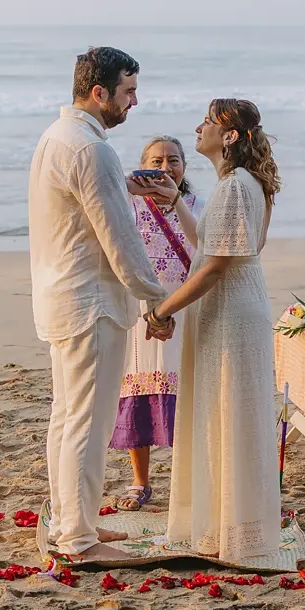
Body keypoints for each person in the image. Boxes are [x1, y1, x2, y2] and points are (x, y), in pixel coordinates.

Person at [28, 47, 179, 562]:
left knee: (68, 417)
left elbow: (84, 208)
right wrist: (157, 301)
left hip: (61, 296)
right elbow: (120, 241)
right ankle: (78, 539)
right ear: (100, 93)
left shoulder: (57, 137)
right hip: (90, 303)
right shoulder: (92, 150)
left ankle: (76, 522)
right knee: (87, 425)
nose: (134, 102)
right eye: (128, 91)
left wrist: (127, 186)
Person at [149, 99, 286, 566]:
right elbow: (212, 243)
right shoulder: (244, 183)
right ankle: (233, 521)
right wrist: (175, 205)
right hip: (239, 303)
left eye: (207, 121)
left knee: (226, 411)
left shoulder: (233, 187)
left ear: (228, 136)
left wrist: (162, 310)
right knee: (230, 412)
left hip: (229, 308)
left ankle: (230, 529)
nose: (198, 127)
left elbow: (215, 267)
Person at [108, 136, 203, 512]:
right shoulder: (128, 206)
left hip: (189, 308)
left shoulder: (198, 207)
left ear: (185, 168)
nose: (165, 169)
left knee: (188, 396)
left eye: (174, 161)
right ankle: (140, 481)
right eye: (156, 162)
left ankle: (188, 480)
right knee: (137, 391)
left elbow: (207, 252)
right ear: (143, 167)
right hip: (140, 311)